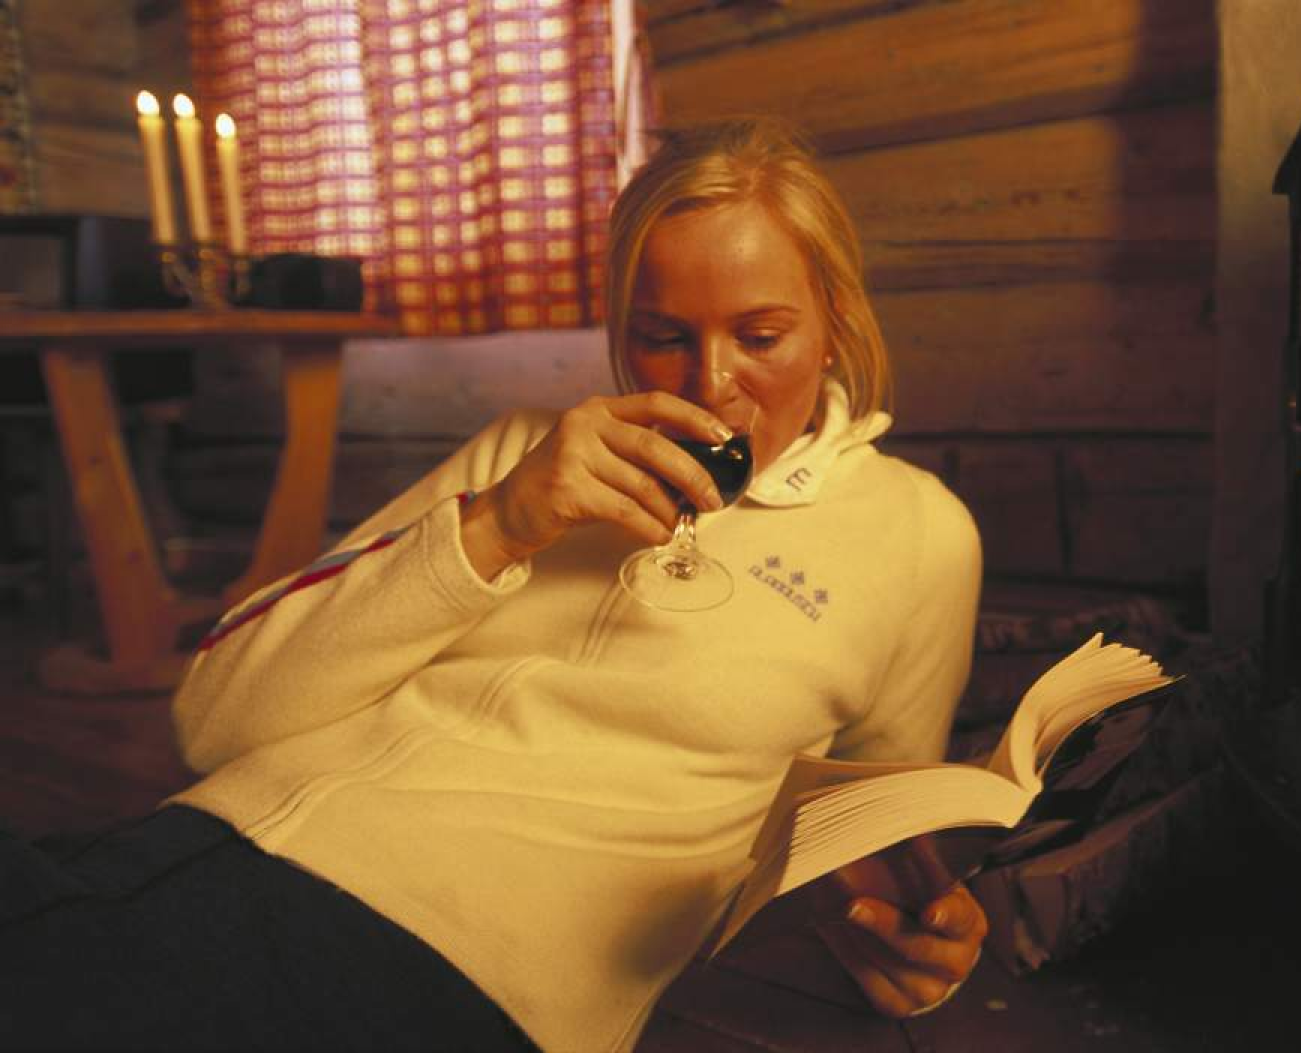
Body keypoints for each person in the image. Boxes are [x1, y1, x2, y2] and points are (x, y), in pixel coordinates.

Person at [0, 116, 986, 1052]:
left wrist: (912, 946)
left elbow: (883, 850)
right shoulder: (526, 453)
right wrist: (503, 521)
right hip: (180, 851)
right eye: (662, 335)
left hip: (447, 966)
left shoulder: (917, 534)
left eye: (761, 336)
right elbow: (214, 719)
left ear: (835, 322)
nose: (710, 384)